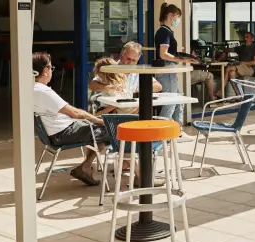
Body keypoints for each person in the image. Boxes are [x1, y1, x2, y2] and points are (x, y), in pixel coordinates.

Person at [32, 52, 107, 187]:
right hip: (63, 133)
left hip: (55, 132)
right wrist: (98, 120)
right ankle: (86, 167)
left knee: (97, 131)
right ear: (45, 70)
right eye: (51, 67)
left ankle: (86, 167)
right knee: (110, 131)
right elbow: (75, 113)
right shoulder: (43, 91)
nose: (51, 71)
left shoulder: (31, 88)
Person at [155, 3, 213, 125]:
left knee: (178, 101)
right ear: (171, 16)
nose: (178, 20)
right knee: (170, 103)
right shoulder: (164, 32)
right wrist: (183, 60)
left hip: (170, 70)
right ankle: (162, 129)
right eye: (177, 16)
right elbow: (163, 54)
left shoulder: (167, 31)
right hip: (166, 70)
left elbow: (171, 53)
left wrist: (183, 60)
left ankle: (177, 128)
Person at [89, 42, 163, 103]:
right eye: (128, 59)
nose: (130, 63)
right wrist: (109, 88)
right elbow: (93, 85)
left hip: (132, 110)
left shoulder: (138, 72)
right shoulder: (111, 68)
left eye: (134, 60)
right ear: (121, 55)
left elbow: (158, 86)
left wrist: (139, 90)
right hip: (111, 111)